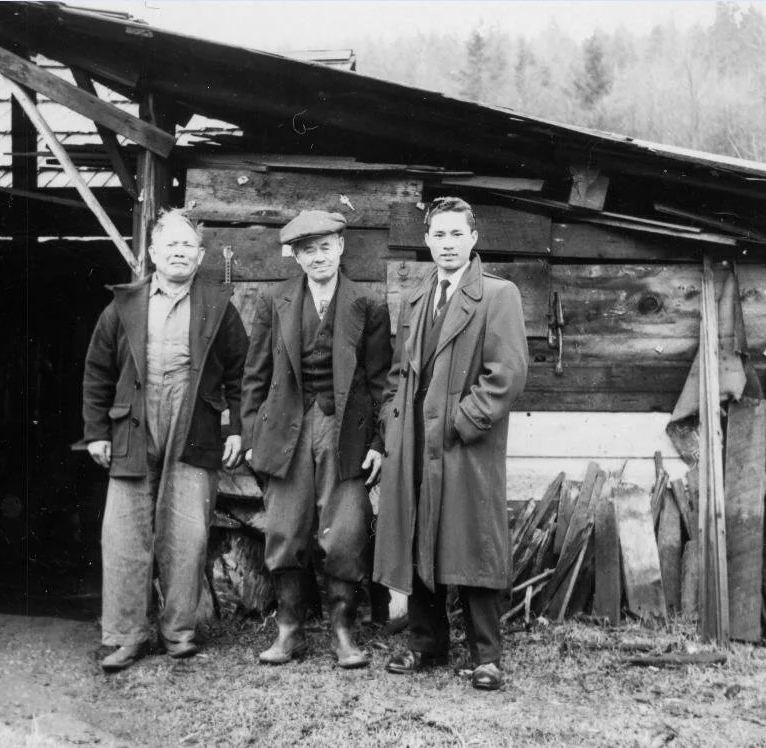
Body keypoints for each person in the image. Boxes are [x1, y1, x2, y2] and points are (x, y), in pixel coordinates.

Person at [82, 209, 248, 672]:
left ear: (199, 256)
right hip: (133, 426)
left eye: (187, 246)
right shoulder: (124, 304)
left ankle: (178, 632)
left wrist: (237, 429)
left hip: (193, 425)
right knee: (123, 533)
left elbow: (242, 373)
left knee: (187, 533)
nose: (178, 252)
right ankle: (124, 636)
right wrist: (96, 432)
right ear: (153, 253)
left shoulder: (219, 305)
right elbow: (97, 372)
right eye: (169, 245)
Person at [374, 197, 528, 690]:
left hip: (466, 444)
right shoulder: (418, 296)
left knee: (475, 540)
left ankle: (487, 656)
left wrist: (463, 422)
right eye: (438, 235)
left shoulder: (498, 295)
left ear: (473, 239)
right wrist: (391, 422)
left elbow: (506, 374)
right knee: (421, 534)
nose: (447, 244)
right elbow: (399, 371)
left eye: (456, 234)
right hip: (416, 440)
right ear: (427, 241)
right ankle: (426, 643)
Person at [241, 210, 392, 669]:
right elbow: (255, 374)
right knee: (285, 527)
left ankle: (343, 632)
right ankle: (289, 631)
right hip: (286, 428)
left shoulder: (368, 304)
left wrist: (379, 443)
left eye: (326, 247)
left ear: (341, 248)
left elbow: (383, 381)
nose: (318, 257)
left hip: (346, 431)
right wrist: (251, 435)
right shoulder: (276, 301)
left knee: (345, 530)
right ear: (296, 256)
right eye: (308, 250)